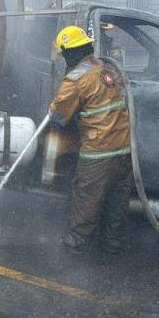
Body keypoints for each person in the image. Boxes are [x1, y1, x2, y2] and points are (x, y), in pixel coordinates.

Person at [48, 25, 133, 251]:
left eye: (64, 54)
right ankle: (113, 244)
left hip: (99, 150)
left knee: (88, 195)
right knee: (117, 199)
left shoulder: (75, 79)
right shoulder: (106, 69)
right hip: (124, 148)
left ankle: (78, 242)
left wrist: (53, 108)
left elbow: (58, 117)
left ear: (69, 53)